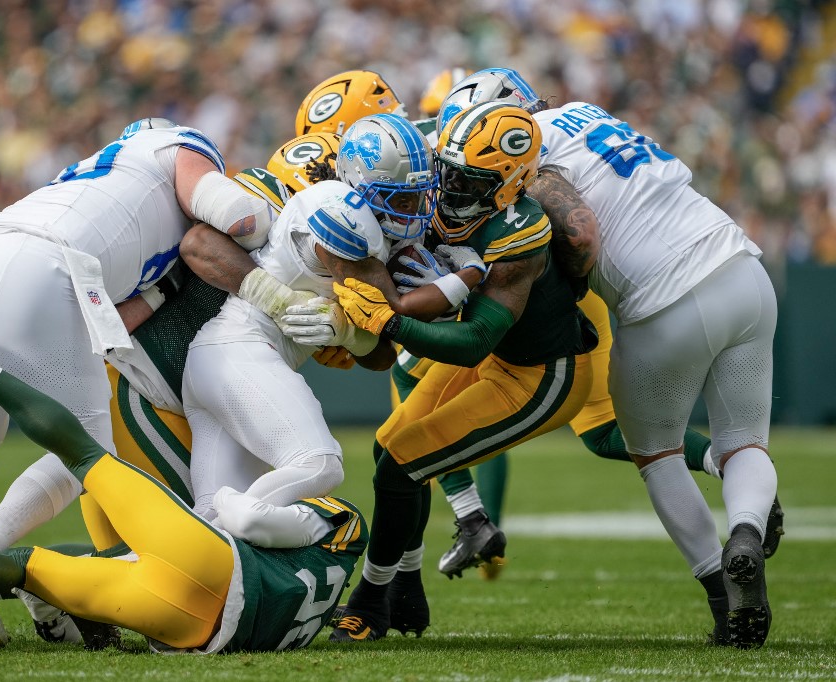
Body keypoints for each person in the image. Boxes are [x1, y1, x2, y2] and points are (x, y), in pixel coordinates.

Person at [0, 117, 280, 647]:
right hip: (37, 267)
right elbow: (240, 216)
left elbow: (106, 322)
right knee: (91, 454)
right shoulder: (176, 145)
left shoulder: (107, 181)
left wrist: (166, 288)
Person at [0, 306, 368, 654]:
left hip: (212, 559)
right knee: (28, 568)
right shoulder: (321, 591)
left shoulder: (343, 523)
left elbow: (249, 516)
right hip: (193, 628)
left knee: (82, 451)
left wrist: (222, 501)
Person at [312, 102, 599, 642]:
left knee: (402, 465)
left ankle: (372, 599)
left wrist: (389, 326)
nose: (452, 189)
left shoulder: (521, 232)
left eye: (472, 182)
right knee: (389, 445)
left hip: (540, 375)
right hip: (498, 357)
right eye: (449, 172)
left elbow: (471, 342)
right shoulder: (433, 186)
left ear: (510, 184)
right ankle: (408, 591)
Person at [524, 90, 779, 649]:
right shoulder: (587, 112)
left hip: (662, 305)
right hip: (741, 269)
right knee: (745, 444)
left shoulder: (527, 149)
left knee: (657, 455)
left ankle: (722, 596)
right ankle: (746, 531)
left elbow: (580, 231)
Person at [182, 112, 467, 525]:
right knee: (319, 464)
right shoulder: (339, 213)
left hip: (225, 362)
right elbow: (393, 316)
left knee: (206, 523)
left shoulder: (375, 230)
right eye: (400, 198)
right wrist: (464, 279)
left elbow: (381, 354)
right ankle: (317, 534)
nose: (414, 210)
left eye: (418, 196)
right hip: (241, 349)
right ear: (360, 187)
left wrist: (348, 335)